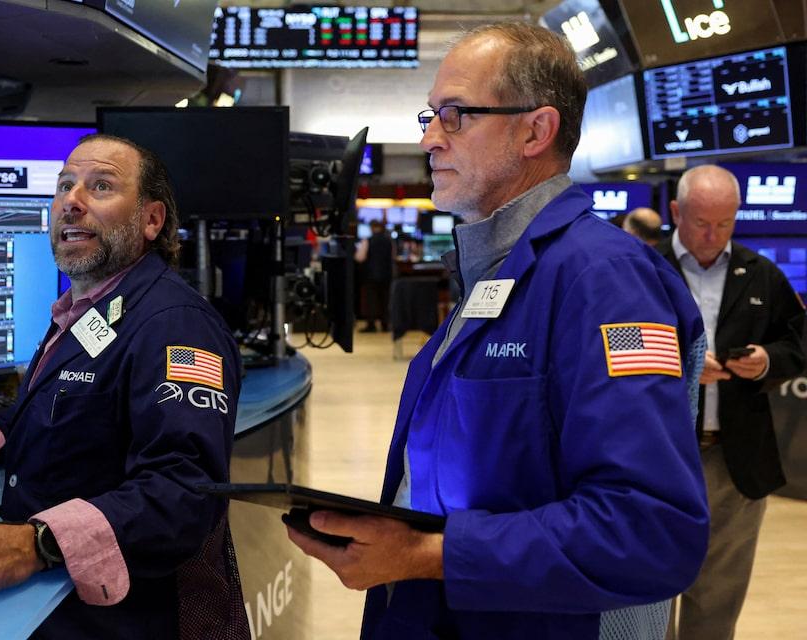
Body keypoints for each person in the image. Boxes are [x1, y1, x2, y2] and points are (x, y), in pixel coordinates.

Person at [285, 22, 710, 639]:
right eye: (431, 115)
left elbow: (651, 530)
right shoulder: (494, 271)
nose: (429, 138)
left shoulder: (605, 281)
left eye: (455, 116)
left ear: (536, 131)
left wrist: (427, 555)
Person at [0, 134, 249, 640]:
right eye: (65, 185)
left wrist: (34, 544)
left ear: (152, 220)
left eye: (101, 186)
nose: (72, 201)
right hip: (58, 605)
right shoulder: (94, 311)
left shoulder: (177, 326)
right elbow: (52, 407)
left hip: (130, 620)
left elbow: (184, 490)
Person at [658, 165, 806, 640]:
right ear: (676, 211)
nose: (713, 235)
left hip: (734, 459)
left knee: (718, 594)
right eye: (702, 222)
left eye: (725, 223)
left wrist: (766, 361)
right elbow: (610, 346)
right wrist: (680, 364)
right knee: (654, 585)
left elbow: (797, 344)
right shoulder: (643, 268)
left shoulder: (761, 273)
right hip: (659, 456)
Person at [355, 219, 395, 332]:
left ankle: (371, 325)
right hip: (386, 275)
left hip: (370, 275)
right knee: (385, 300)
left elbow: (360, 257)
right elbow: (393, 256)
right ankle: (385, 324)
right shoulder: (389, 241)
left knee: (371, 301)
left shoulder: (367, 240)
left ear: (371, 227)